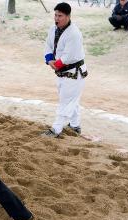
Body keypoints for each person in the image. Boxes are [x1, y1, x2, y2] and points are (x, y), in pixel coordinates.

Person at [43, 2, 88, 138]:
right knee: (71, 100)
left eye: (60, 16)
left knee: (66, 101)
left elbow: (69, 56)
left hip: (74, 73)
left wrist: (56, 64)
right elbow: (48, 45)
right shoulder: (53, 28)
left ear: (68, 16)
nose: (56, 18)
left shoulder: (74, 33)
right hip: (62, 72)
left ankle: (56, 129)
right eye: (55, 15)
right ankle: (75, 126)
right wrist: (49, 59)